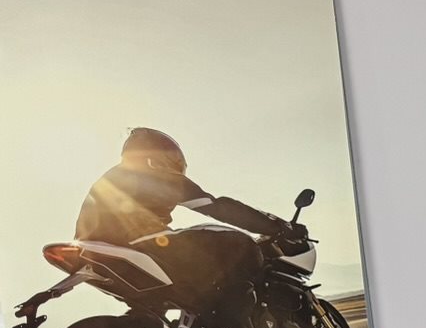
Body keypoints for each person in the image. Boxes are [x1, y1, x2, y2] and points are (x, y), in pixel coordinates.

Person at [74, 128, 300, 313]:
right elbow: (215, 206)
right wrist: (276, 226)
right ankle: (236, 322)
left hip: (95, 251)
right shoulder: (151, 173)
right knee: (242, 244)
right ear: (161, 155)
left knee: (161, 302)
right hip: (137, 243)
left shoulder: (111, 179)